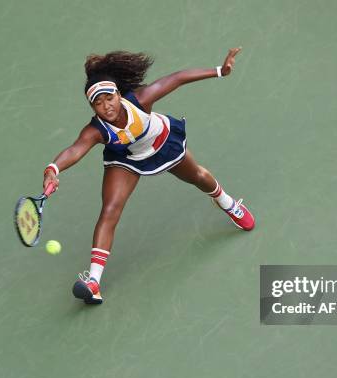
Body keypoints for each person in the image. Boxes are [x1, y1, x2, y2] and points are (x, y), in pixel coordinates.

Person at [42, 47, 255, 305]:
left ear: (118, 94)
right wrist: (53, 169)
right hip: (126, 158)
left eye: (109, 98)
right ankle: (94, 281)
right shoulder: (95, 130)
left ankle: (227, 203)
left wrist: (220, 71)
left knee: (199, 176)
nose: (106, 106)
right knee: (110, 210)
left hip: (162, 143)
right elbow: (75, 150)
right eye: (98, 103)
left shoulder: (140, 100)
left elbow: (176, 78)